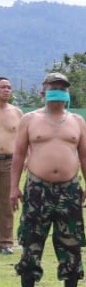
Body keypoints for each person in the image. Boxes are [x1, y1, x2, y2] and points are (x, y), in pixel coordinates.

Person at [10, 72, 86, 287]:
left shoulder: (76, 121)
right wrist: (13, 187)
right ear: (43, 92)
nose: (58, 91)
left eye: (62, 88)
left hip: (69, 189)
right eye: (53, 87)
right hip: (37, 188)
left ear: (67, 93)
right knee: (31, 238)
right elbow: (18, 155)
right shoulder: (30, 119)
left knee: (71, 240)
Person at [0, 77, 24, 256]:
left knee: (7, 202)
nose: (6, 90)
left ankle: (5, 241)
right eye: (2, 87)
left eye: (9, 87)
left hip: (9, 161)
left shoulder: (17, 113)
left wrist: (27, 159)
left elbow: (25, 139)